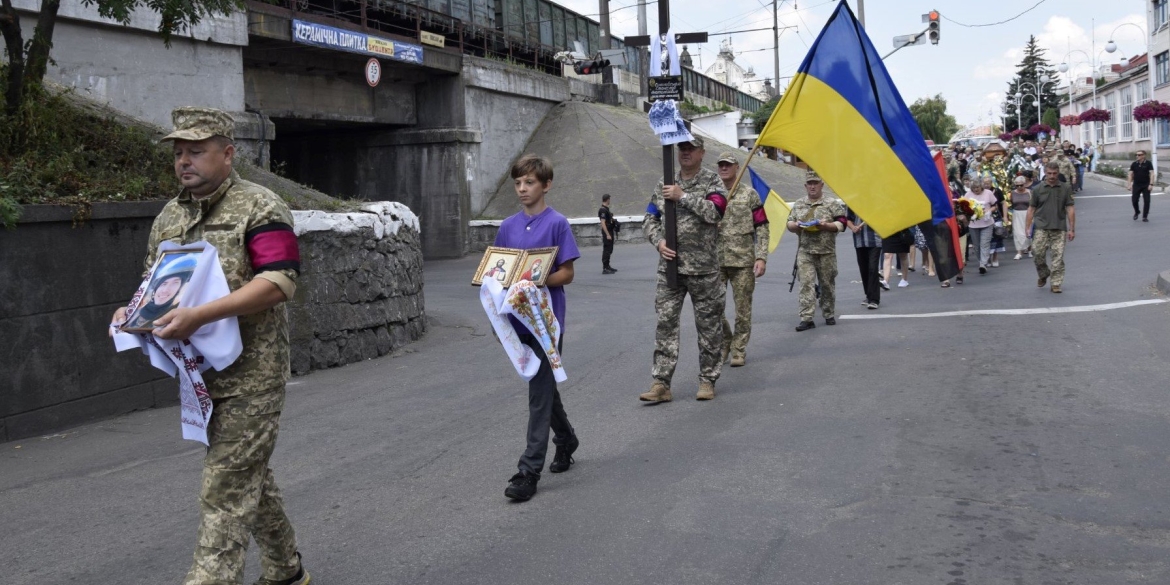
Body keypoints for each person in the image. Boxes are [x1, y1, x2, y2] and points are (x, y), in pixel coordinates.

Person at [109, 108, 309, 585]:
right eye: (178, 152)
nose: (184, 161)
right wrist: (132, 312)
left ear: (227, 153)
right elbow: (153, 283)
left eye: (196, 151)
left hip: (252, 375)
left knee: (225, 488)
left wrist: (200, 315)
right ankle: (285, 571)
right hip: (198, 375)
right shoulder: (169, 216)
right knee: (246, 477)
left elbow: (280, 282)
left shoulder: (261, 206)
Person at [493, 153, 582, 501]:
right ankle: (567, 438)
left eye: (529, 182)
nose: (522, 188)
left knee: (538, 394)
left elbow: (567, 274)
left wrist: (534, 280)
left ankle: (528, 471)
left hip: (546, 323)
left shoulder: (557, 223)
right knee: (543, 387)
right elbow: (497, 273)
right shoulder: (507, 226)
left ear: (546, 185)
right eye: (518, 182)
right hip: (514, 322)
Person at [638, 136, 728, 402]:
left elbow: (715, 213)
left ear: (702, 152)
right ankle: (661, 384)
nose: (686, 153)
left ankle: (707, 380)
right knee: (665, 324)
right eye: (683, 149)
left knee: (709, 327)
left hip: (704, 269)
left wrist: (684, 196)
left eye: (691, 149)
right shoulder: (664, 182)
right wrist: (659, 241)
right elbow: (649, 218)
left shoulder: (713, 182)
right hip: (670, 269)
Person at [713, 151, 768, 367]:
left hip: (743, 260)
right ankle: (726, 339)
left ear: (737, 167)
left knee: (743, 309)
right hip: (715, 260)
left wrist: (761, 256)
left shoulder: (750, 195)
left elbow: (762, 226)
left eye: (728, 165)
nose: (724, 168)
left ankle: (739, 349)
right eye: (721, 165)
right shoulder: (712, 194)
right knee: (712, 307)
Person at [786, 169, 845, 331]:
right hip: (805, 251)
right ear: (805, 186)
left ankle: (828, 313)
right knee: (806, 283)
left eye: (815, 184)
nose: (812, 187)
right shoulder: (799, 204)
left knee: (827, 284)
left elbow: (842, 223)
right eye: (809, 184)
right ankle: (806, 317)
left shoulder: (831, 203)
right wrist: (796, 225)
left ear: (821, 185)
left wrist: (827, 226)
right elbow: (789, 223)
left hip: (826, 251)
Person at [1027, 162, 1076, 293]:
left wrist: (1071, 228)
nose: (1052, 176)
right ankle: (1043, 274)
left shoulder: (1065, 188)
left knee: (1057, 256)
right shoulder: (1037, 189)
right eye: (1049, 173)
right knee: (1037, 253)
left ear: (1058, 173)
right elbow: (1031, 209)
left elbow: (1070, 208)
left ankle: (1056, 283)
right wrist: (1027, 227)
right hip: (1041, 227)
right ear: (1045, 173)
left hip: (1059, 227)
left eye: (1054, 173)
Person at [123, 255, 196, 330]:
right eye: (163, 284)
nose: (165, 290)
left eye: (175, 283)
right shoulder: (136, 313)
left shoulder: (183, 311)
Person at [846, 208, 881, 309]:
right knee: (864, 269)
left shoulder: (876, 201)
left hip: (875, 240)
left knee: (873, 268)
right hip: (859, 240)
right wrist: (853, 227)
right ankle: (868, 295)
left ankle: (874, 299)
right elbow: (848, 219)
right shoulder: (852, 201)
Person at [966, 178, 997, 275]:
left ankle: (983, 264)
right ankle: (982, 261)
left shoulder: (988, 193)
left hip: (987, 223)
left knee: (984, 244)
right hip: (973, 224)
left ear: (981, 187)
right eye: (974, 187)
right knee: (976, 246)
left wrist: (989, 211)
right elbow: (963, 207)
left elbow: (995, 205)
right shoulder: (968, 195)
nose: (976, 189)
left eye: (978, 187)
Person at [1128, 150, 1155, 222]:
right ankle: (1137, 211)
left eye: (1139, 155)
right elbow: (1130, 174)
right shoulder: (1134, 164)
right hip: (1136, 185)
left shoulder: (1148, 163)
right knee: (1134, 200)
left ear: (1144, 156)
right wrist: (1129, 184)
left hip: (1146, 185)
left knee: (1147, 201)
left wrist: (1151, 184)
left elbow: (1152, 174)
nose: (1137, 156)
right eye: (1136, 155)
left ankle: (1144, 216)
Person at [1009, 175, 1032, 260]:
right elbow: (1011, 203)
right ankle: (1019, 252)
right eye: (1017, 185)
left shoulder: (1029, 192)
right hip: (1017, 214)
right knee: (1018, 233)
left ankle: (1029, 249)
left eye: (1021, 185)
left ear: (1025, 184)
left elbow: (1033, 204)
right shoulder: (1012, 193)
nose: (1019, 187)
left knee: (1028, 232)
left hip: (1027, 213)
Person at [599, 193, 619, 273]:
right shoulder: (603, 210)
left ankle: (608, 266)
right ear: (607, 199)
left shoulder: (606, 209)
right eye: (609, 199)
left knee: (610, 249)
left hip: (610, 230)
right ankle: (605, 268)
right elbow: (603, 223)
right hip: (607, 232)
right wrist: (607, 234)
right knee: (607, 250)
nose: (610, 201)